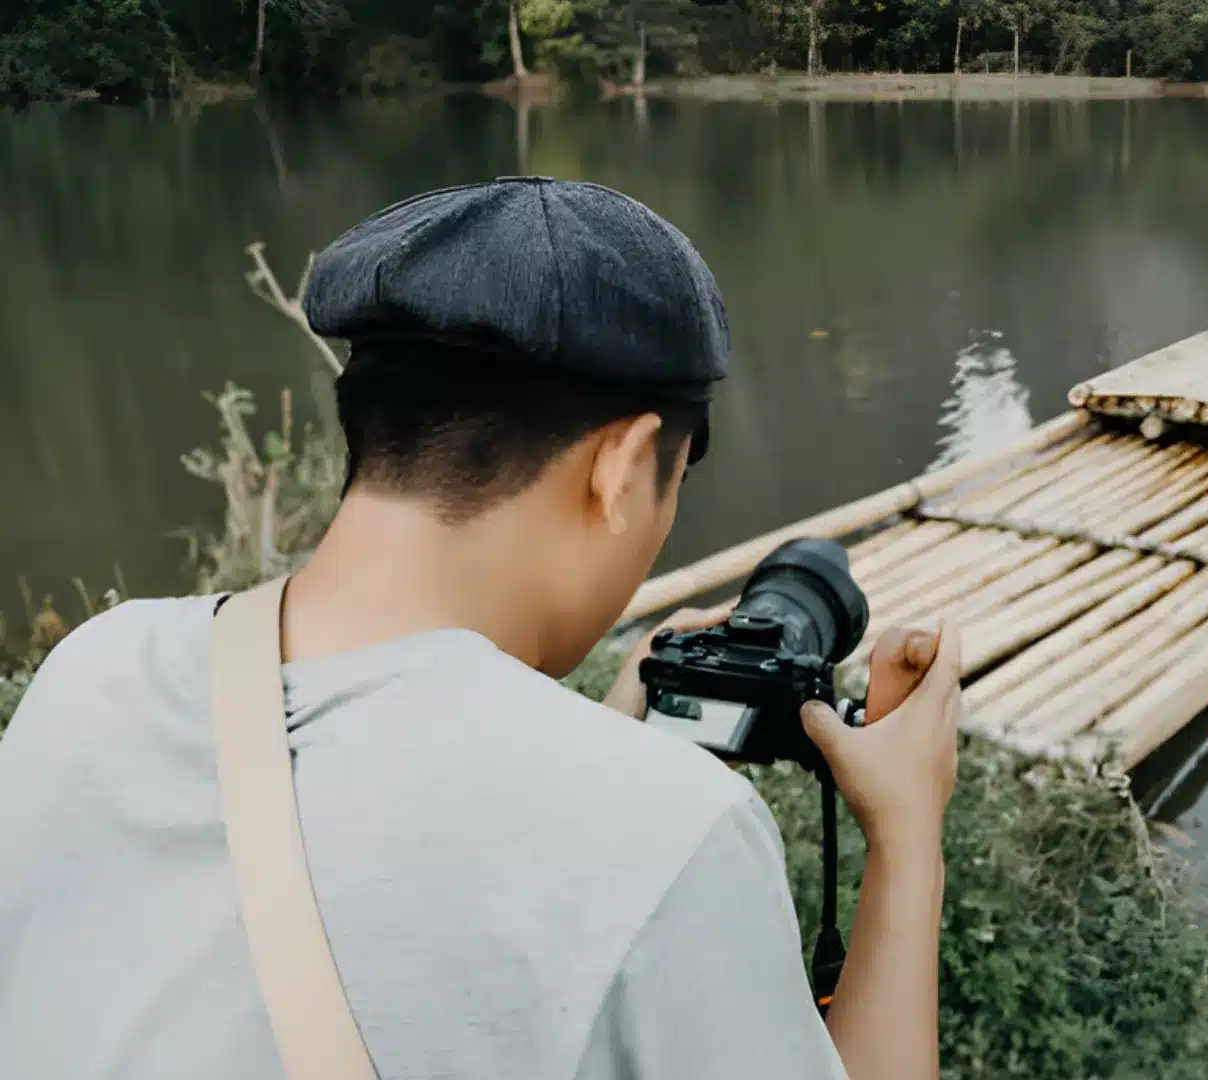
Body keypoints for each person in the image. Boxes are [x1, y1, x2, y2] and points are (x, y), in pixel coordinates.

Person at [0, 178, 958, 1080]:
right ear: (621, 468)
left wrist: (599, 752)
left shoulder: (93, 671)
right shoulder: (669, 835)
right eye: (681, 469)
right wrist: (907, 830)